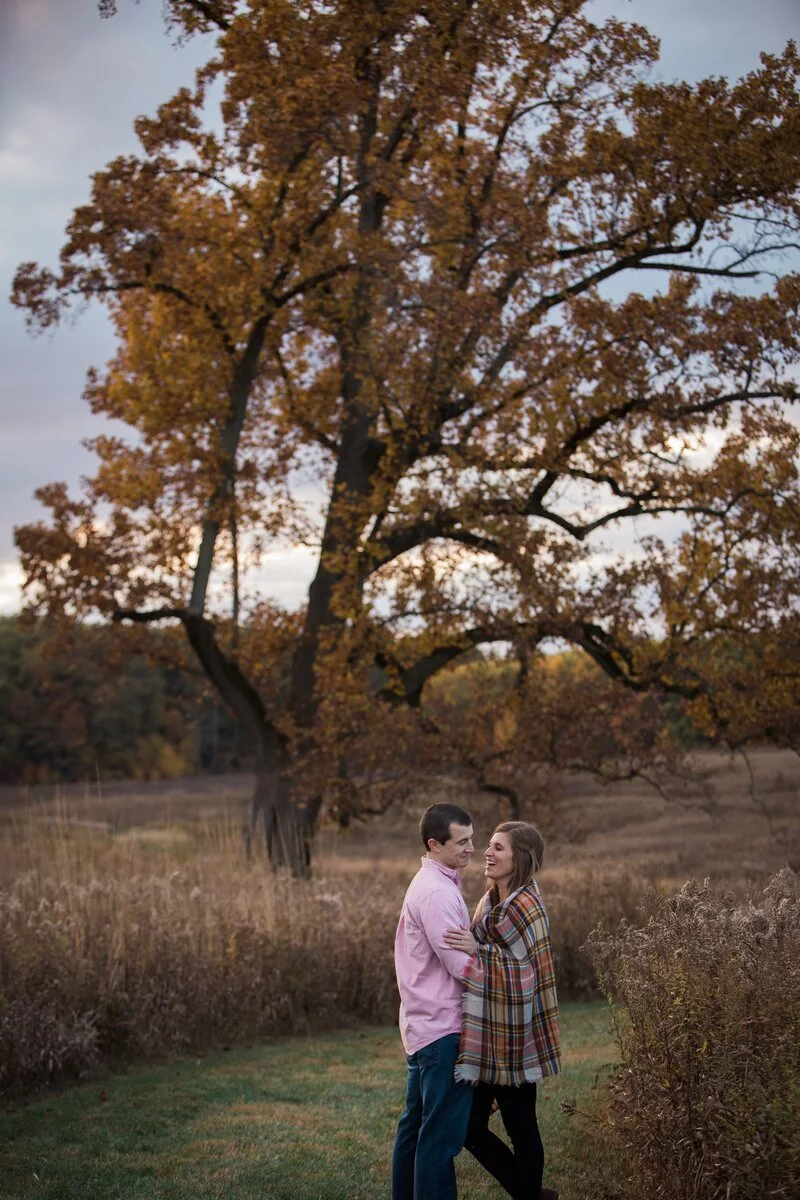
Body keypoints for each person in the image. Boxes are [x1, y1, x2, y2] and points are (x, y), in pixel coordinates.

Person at [443, 821, 561, 1200]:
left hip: (517, 1036)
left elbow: (527, 973)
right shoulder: (489, 902)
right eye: (489, 846)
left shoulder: (528, 906)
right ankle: (532, 1194)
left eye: (498, 848)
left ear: (520, 858)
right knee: (468, 1129)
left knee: (522, 1128)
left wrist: (480, 952)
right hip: (485, 1034)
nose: (487, 854)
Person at [392, 802, 476, 1200]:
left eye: (472, 839)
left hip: (423, 1025)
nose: (471, 848)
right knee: (439, 1137)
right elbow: (463, 967)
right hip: (442, 1029)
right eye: (462, 841)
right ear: (434, 844)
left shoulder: (434, 885)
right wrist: (503, 963)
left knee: (416, 1127)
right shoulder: (438, 894)